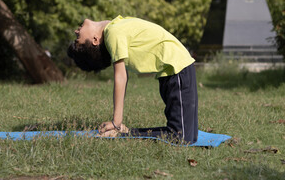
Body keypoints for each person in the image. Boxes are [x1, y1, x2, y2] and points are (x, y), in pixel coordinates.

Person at [67, 15, 198, 144]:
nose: (76, 31)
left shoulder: (114, 27)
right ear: (95, 40)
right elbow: (121, 75)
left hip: (177, 68)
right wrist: (116, 121)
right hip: (176, 71)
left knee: (185, 136)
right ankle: (123, 133)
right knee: (182, 137)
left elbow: (123, 75)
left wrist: (116, 122)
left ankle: (125, 133)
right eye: (78, 38)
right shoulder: (113, 32)